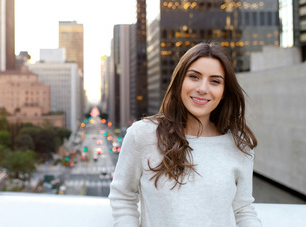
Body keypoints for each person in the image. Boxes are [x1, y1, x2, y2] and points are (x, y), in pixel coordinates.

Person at [109, 42, 261, 227]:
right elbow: (123, 197)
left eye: (215, 81)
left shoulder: (239, 145)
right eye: (194, 77)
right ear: (179, 81)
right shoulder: (142, 135)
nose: (203, 88)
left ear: (224, 92)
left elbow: (243, 211)